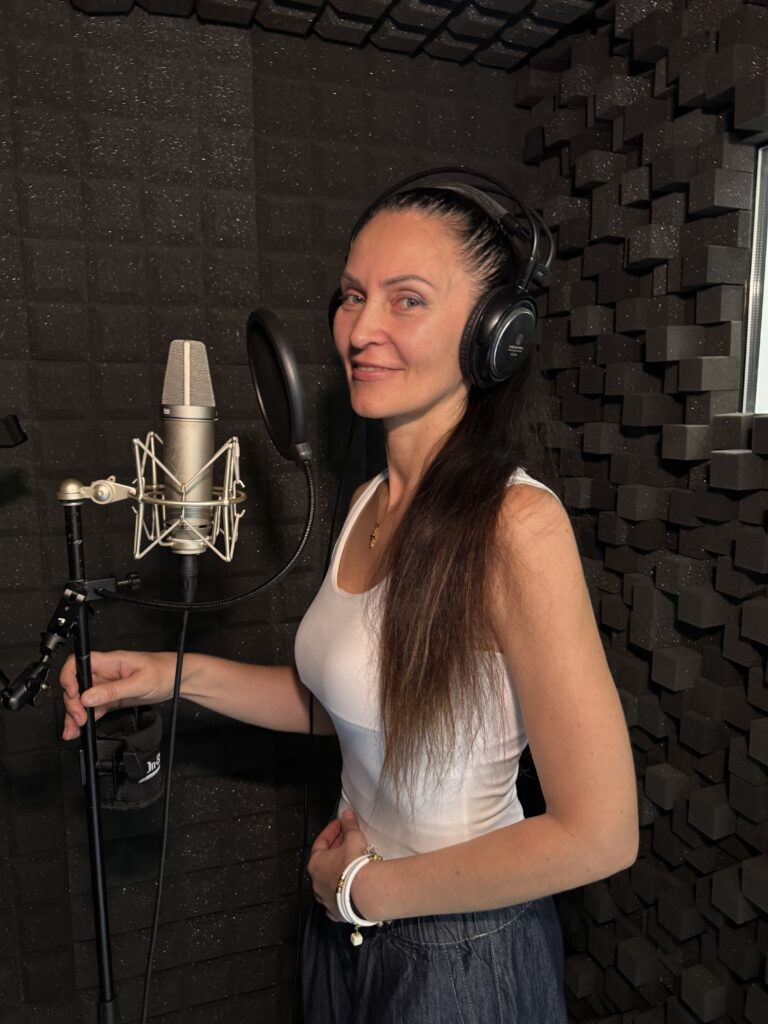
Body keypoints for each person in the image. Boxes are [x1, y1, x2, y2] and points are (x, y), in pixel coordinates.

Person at [60, 179, 639, 1023]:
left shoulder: (517, 526)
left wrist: (366, 890)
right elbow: (345, 709)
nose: (361, 329)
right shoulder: (370, 500)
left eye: (408, 300)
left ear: (495, 333)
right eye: (353, 295)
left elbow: (601, 833)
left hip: (460, 956)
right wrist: (168, 674)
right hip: (347, 925)